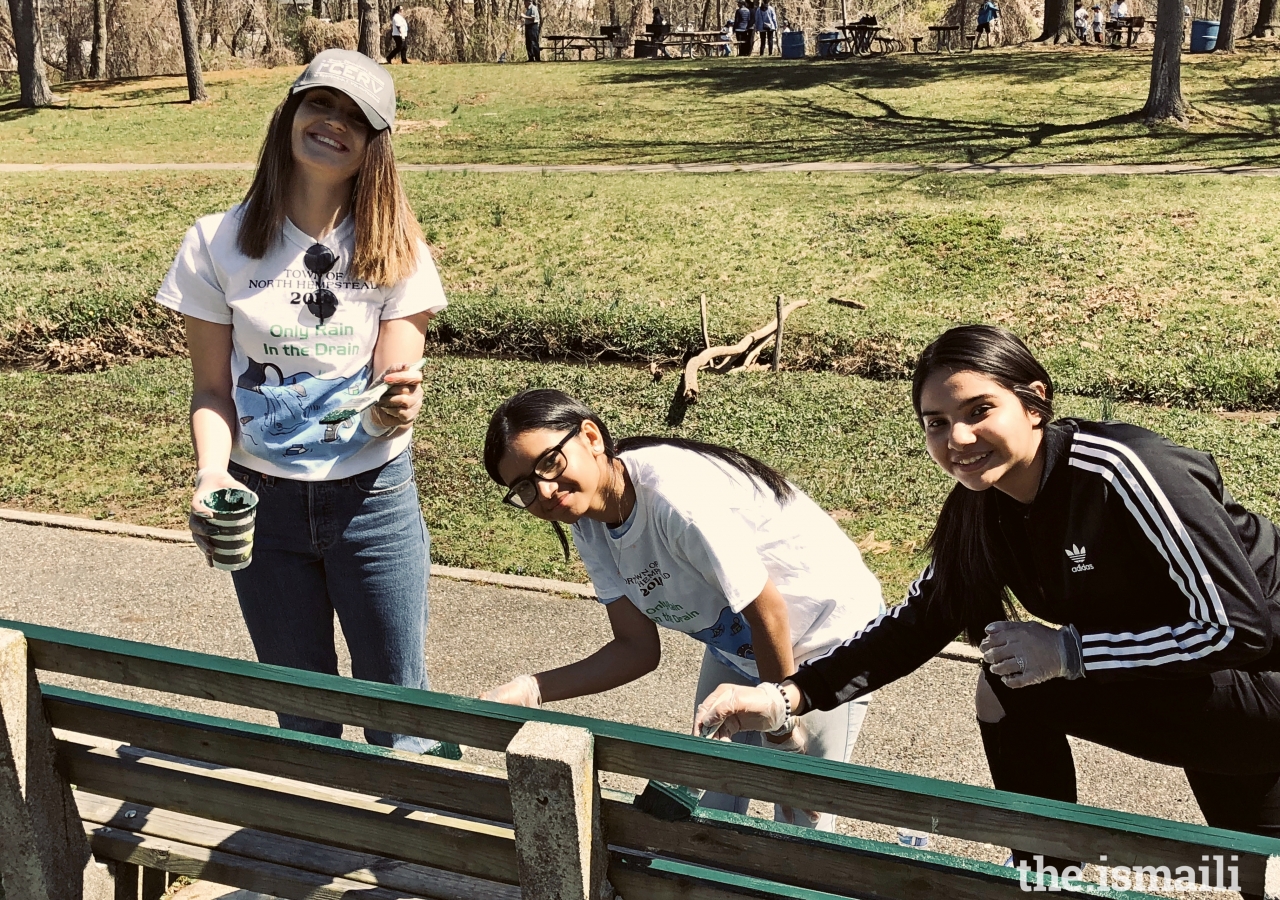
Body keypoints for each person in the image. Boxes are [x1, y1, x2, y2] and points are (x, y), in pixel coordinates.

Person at [695, 324, 1280, 886]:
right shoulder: (980, 508)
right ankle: (1045, 877)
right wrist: (786, 695)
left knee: (1011, 685)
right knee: (1261, 867)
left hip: (1257, 677)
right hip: (1198, 681)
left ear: (1034, 403)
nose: (959, 439)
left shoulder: (1121, 470)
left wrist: (1071, 651)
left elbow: (1239, 627)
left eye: (979, 411)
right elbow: (918, 623)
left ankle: (1044, 879)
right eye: (937, 424)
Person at [156, 50, 454, 757]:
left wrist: (393, 407)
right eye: (321, 104)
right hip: (264, 508)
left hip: (373, 503)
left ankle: (405, 860)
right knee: (303, 713)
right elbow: (210, 390)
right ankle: (322, 839)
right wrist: (211, 475)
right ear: (289, 113)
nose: (333, 124)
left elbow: (391, 385)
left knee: (399, 715)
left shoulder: (400, 247)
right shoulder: (214, 243)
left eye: (356, 118)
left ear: (374, 147)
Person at [479, 389, 887, 830]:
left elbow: (769, 612)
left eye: (549, 462)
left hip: (826, 640)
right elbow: (636, 648)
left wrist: (780, 723)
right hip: (743, 645)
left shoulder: (673, 498)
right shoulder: (589, 521)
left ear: (591, 437)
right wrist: (531, 690)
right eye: (522, 487)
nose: (543, 490)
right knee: (710, 792)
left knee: (797, 813)